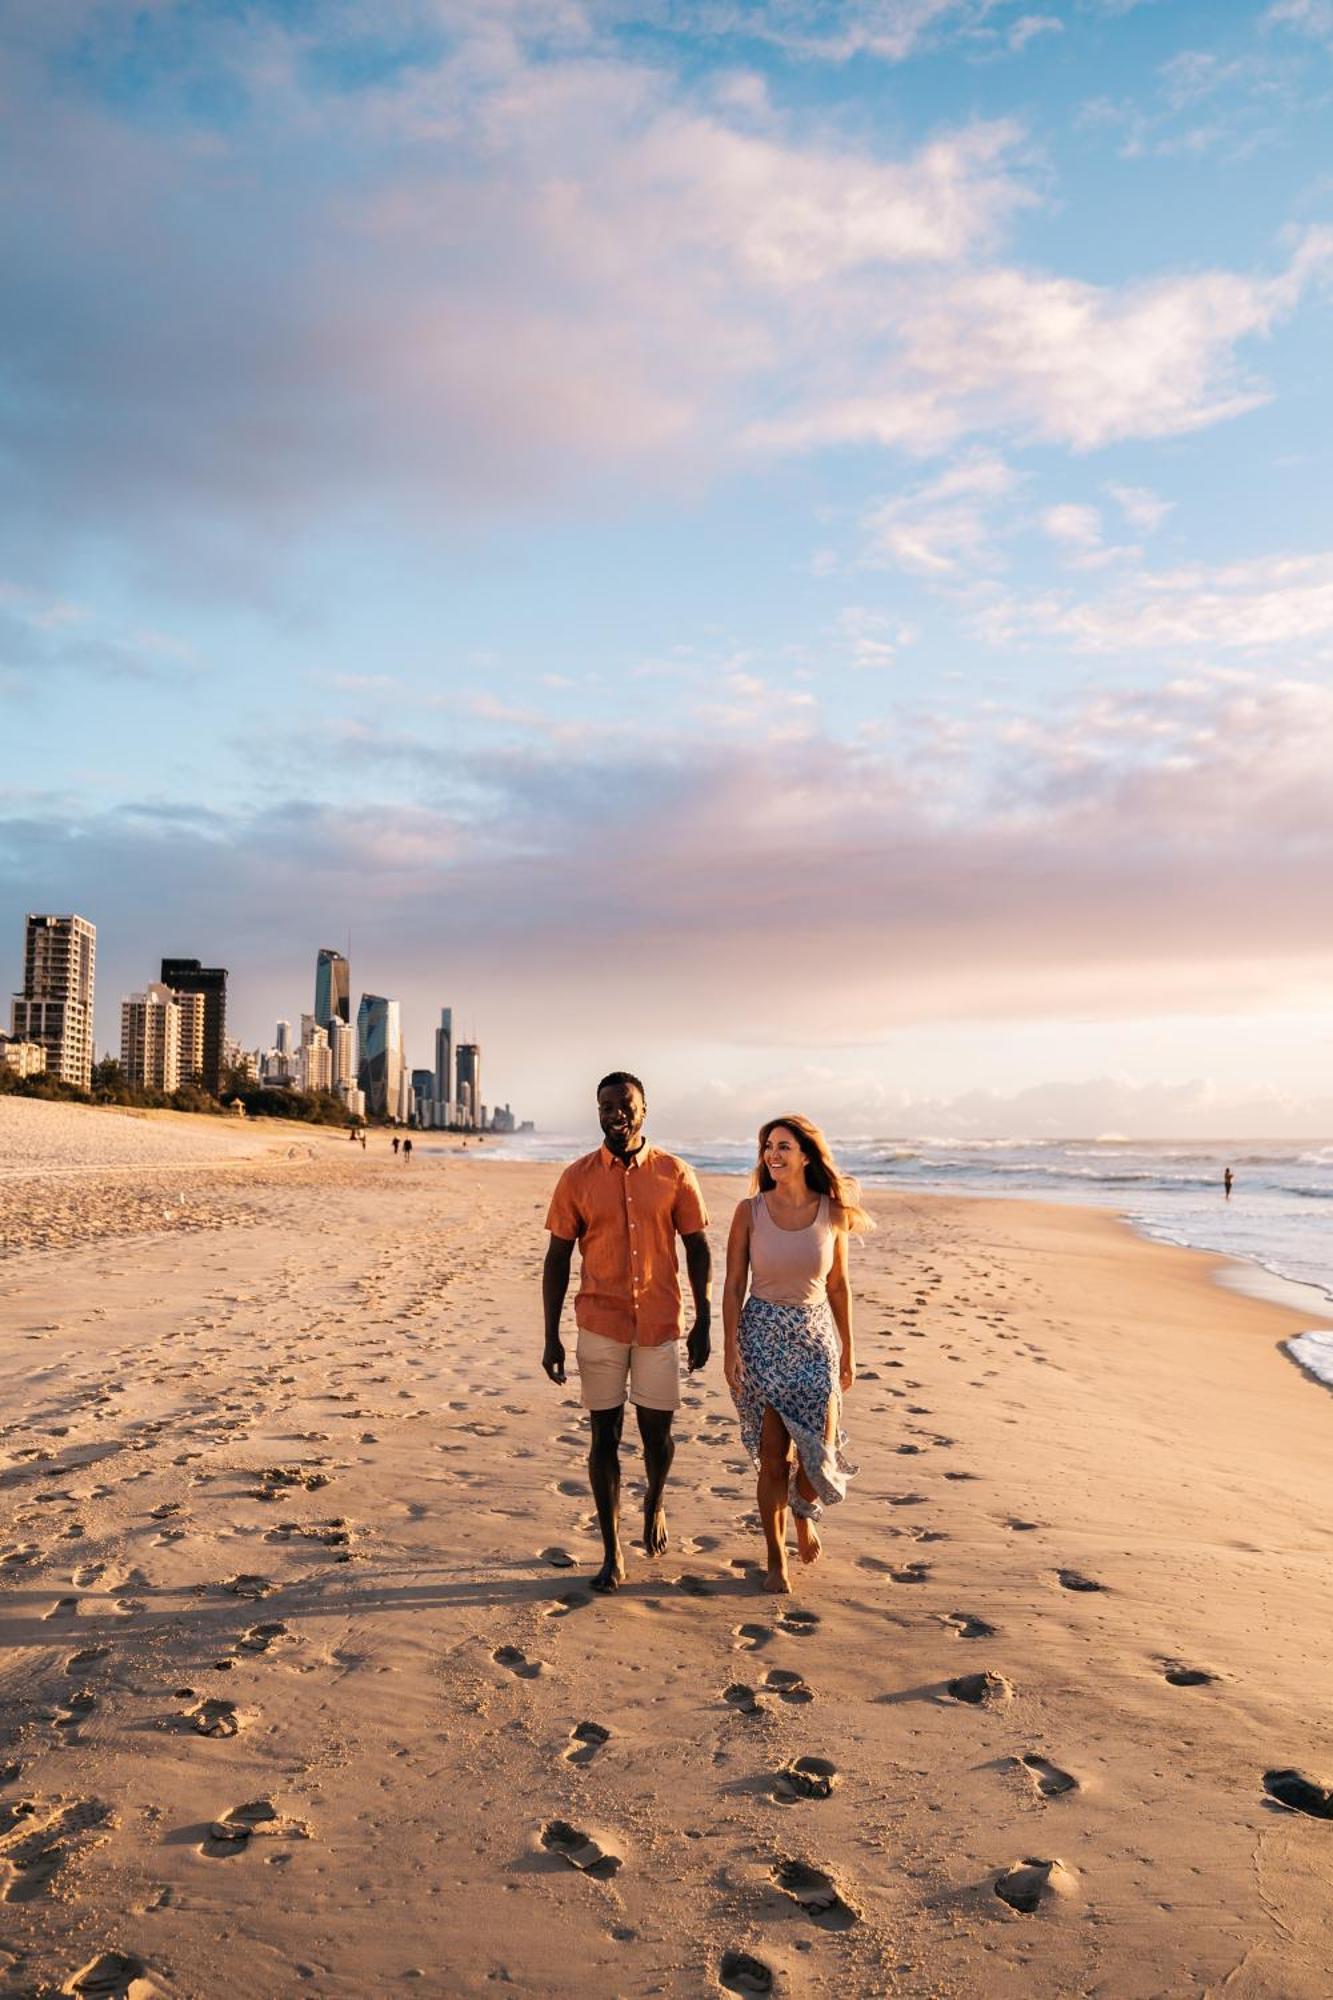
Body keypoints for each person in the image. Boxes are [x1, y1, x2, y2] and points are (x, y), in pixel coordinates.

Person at [542, 1072, 712, 1593]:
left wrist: (704, 1320)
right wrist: (551, 1336)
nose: (616, 1113)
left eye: (625, 1105)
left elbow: (698, 1248)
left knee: (658, 1436)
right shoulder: (577, 1178)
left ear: (644, 1109)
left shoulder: (675, 1173)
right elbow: (556, 1259)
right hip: (600, 1322)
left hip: (661, 1322)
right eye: (606, 1106)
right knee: (604, 1436)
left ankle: (655, 1502)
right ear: (597, 1113)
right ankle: (613, 1551)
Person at [723, 1115, 870, 1595]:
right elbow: (732, 1283)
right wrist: (729, 1348)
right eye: (768, 1146)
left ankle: (804, 1509)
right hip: (762, 1335)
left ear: (806, 1154)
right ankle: (774, 1558)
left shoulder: (832, 1212)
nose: (773, 1154)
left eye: (783, 1146)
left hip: (814, 1338)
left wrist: (848, 1349)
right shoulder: (750, 1211)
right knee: (772, 1457)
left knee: (817, 1457)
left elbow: (839, 1284)